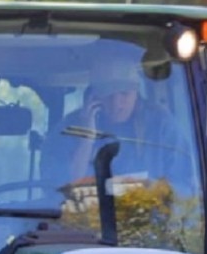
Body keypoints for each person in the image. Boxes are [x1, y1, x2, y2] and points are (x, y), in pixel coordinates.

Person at [50, 54, 186, 185]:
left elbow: (185, 186)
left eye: (124, 94)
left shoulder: (162, 126)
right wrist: (86, 139)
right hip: (86, 208)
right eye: (108, 95)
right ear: (94, 96)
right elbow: (60, 188)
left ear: (136, 93)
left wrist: (152, 189)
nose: (116, 104)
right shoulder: (69, 130)